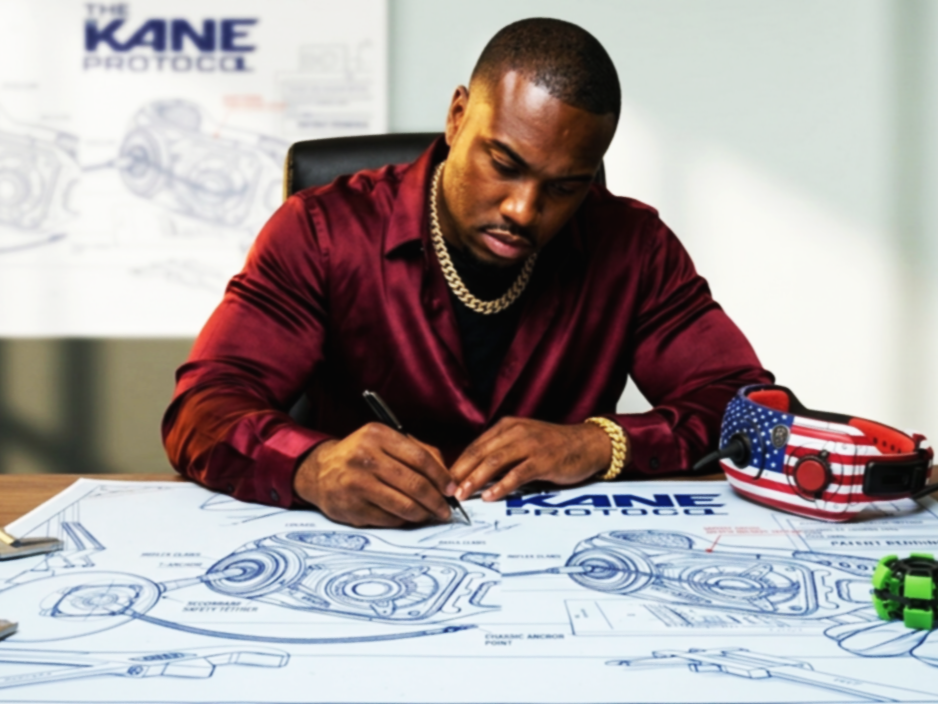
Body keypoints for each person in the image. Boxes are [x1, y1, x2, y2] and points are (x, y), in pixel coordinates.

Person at [162, 18, 772, 527]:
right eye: (504, 163)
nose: (523, 210)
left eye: (565, 187)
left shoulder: (633, 248)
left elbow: (756, 411)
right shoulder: (321, 232)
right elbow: (204, 407)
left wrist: (597, 443)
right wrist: (312, 466)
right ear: (458, 117)